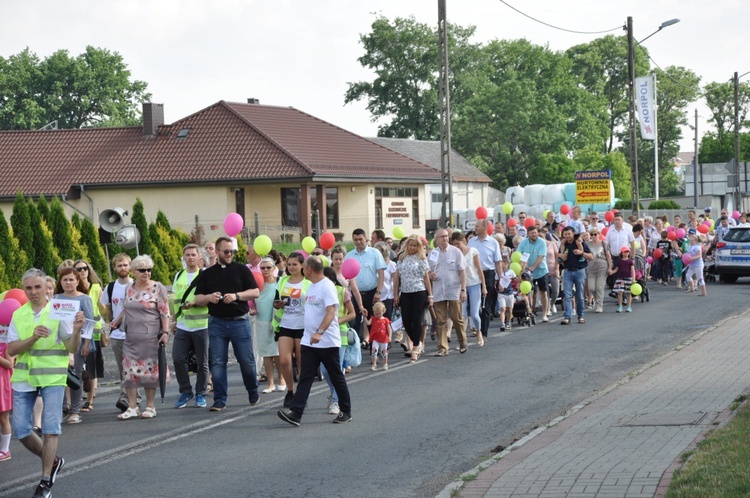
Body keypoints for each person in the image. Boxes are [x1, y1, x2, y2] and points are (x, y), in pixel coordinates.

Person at [8, 268, 85, 498]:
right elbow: (10, 349)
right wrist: (32, 337)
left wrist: (77, 331)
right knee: (21, 430)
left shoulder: (58, 310)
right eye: (29, 288)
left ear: (46, 287)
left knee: (51, 429)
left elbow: (72, 348)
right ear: (24, 289)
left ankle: (45, 483)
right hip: (24, 378)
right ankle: (54, 461)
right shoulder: (19, 314)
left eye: (37, 287)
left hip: (52, 377)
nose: (33, 292)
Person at [278, 256, 352, 426]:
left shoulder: (327, 286)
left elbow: (331, 312)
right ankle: (296, 413)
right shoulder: (311, 287)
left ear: (309, 269)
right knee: (306, 377)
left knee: (335, 376)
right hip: (308, 341)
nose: (303, 270)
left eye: (304, 267)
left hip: (327, 341)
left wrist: (319, 332)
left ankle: (346, 411)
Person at [194, 237, 260, 411]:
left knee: (246, 361)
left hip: (240, 321)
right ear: (217, 252)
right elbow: (198, 298)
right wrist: (209, 297)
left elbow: (255, 292)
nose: (229, 254)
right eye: (226, 251)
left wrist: (237, 296)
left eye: (232, 251)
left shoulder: (242, 270)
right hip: (217, 323)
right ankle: (220, 400)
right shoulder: (207, 273)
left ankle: (252, 390)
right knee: (217, 362)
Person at [109, 255, 170, 420]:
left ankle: (150, 406)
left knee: (149, 373)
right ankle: (132, 407)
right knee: (129, 372)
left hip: (151, 337)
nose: (147, 273)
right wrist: (117, 320)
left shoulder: (158, 288)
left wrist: (165, 333)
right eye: (142, 270)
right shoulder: (129, 287)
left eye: (149, 270)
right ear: (134, 271)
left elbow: (165, 312)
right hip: (131, 337)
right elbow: (125, 308)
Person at [53, 268, 96, 424]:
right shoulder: (56, 298)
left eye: (71, 279)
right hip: (59, 344)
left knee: (76, 376)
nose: (68, 283)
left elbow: (90, 323)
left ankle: (75, 411)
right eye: (65, 280)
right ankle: (64, 406)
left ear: (78, 281)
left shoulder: (84, 299)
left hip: (78, 343)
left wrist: (86, 344)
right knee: (61, 376)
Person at [171, 244, 210, 409]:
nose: (191, 258)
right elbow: (174, 299)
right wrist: (174, 319)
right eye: (187, 255)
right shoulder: (178, 275)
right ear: (184, 257)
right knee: (178, 358)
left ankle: (201, 393)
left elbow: (210, 297)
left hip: (202, 324)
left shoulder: (205, 275)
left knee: (202, 362)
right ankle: (186, 391)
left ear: (199, 257)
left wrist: (196, 303)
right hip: (182, 325)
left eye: (193, 255)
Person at [272, 251, 309, 408]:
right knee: (284, 361)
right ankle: (290, 391)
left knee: (302, 362)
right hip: (285, 324)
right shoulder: (282, 281)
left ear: (302, 265)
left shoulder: (308, 282)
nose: (292, 267)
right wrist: (278, 304)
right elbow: (275, 301)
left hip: (303, 326)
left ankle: (301, 394)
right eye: (289, 264)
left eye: (295, 264)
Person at [100, 253, 136, 412]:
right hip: (117, 335)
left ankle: (128, 397)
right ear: (114, 267)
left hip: (135, 333)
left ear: (130, 267)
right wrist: (112, 322)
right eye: (119, 265)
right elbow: (107, 308)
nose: (123, 268)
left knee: (133, 367)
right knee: (123, 368)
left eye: (125, 265)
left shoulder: (136, 285)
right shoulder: (111, 287)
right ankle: (128, 397)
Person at [319, 266, 355, 414]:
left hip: (340, 333)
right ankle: (334, 391)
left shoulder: (342, 291)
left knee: (337, 369)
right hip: (322, 334)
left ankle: (336, 401)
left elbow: (352, 314)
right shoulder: (317, 292)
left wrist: (337, 321)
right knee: (324, 371)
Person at [393, 235, 432, 364]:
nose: (412, 248)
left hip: (419, 291)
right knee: (406, 320)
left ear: (418, 247)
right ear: (407, 245)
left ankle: (415, 347)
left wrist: (430, 295)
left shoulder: (421, 258)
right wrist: (396, 294)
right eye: (410, 245)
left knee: (416, 319)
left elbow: (426, 277)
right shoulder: (401, 258)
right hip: (405, 291)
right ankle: (419, 341)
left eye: (415, 246)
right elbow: (397, 278)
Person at [73, 259, 105, 414]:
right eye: (79, 269)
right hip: (77, 333)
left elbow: (103, 309)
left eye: (85, 268)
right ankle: (74, 402)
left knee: (91, 369)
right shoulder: (74, 289)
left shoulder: (96, 287)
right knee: (78, 369)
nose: (82, 271)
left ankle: (90, 400)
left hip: (94, 332)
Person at [428, 228, 467, 355]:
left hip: (453, 290)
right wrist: (430, 275)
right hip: (439, 290)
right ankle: (443, 347)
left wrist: (463, 289)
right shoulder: (433, 253)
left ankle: (462, 342)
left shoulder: (455, 252)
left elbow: (462, 271)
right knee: (441, 320)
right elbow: (427, 271)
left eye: (446, 236)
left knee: (457, 318)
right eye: (442, 237)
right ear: (436, 239)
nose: (445, 239)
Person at [346, 229, 386, 346]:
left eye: (360, 239)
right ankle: (356, 349)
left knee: (373, 321)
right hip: (355, 293)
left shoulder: (374, 253)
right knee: (355, 322)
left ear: (366, 238)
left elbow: (381, 273)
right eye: (355, 240)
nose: (358, 242)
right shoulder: (349, 255)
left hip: (371, 292)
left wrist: (378, 291)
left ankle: (375, 348)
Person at [467, 219, 503, 339]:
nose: (475, 228)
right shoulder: (471, 242)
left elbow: (498, 262)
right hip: (473, 274)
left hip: (488, 274)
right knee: (474, 304)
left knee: (486, 303)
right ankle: (477, 327)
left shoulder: (493, 243)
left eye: (478, 226)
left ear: (485, 227)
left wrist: (501, 279)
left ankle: (484, 332)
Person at [451, 232, 486, 344]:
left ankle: (479, 331)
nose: (456, 246)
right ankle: (463, 340)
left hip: (474, 283)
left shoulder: (472, 251)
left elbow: (479, 269)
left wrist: (484, 286)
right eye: (454, 244)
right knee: (462, 314)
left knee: (475, 314)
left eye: (458, 243)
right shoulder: (453, 254)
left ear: (464, 241)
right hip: (461, 286)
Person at [256, 257, 284, 394]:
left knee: (277, 352)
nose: (266, 270)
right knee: (266, 354)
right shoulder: (258, 285)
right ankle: (271, 383)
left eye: (268, 267)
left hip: (276, 322)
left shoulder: (279, 283)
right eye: (263, 267)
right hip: (261, 321)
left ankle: (282, 380)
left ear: (274, 268)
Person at [558, 227, 593, 325]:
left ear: (573, 233)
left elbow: (591, 256)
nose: (567, 236)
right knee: (567, 295)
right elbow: (558, 256)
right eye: (565, 234)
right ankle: (567, 317)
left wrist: (581, 253)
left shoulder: (580, 242)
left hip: (579, 271)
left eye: (569, 234)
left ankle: (580, 315)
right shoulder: (564, 244)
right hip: (568, 271)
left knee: (580, 296)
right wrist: (561, 256)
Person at [517, 226, 551, 322]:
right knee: (528, 292)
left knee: (543, 292)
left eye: (535, 232)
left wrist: (533, 267)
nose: (534, 234)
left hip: (541, 270)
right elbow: (519, 255)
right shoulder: (523, 243)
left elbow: (541, 256)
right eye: (532, 233)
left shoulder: (542, 242)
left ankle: (544, 314)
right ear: (528, 234)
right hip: (527, 271)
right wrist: (522, 266)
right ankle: (529, 311)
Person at [586, 228, 612, 313]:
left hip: (602, 266)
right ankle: (598, 300)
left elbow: (608, 256)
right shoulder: (587, 244)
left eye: (595, 234)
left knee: (599, 286)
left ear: (599, 234)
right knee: (592, 288)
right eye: (592, 234)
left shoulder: (603, 243)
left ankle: (599, 305)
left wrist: (610, 267)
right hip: (591, 267)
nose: (593, 236)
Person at [0, 312, 13, 462]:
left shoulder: (8, 342)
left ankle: (5, 449)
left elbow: (10, 364)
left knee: (4, 417)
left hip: (3, 383)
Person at [364, 302, 392, 370]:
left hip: (384, 339)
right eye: (375, 314)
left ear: (383, 311)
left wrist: (390, 336)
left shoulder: (385, 320)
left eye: (379, 313)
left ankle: (385, 364)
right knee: (374, 351)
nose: (377, 315)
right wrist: (364, 316)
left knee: (384, 352)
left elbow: (389, 329)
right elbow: (368, 323)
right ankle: (374, 364)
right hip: (375, 338)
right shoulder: (373, 318)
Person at [609, 247, 635, 313]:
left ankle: (629, 306)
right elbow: (616, 269)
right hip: (620, 278)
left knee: (628, 293)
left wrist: (633, 279)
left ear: (629, 253)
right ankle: (620, 306)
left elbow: (632, 270)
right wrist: (612, 272)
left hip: (628, 278)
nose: (626, 253)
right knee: (620, 292)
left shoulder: (630, 261)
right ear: (622, 253)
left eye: (627, 252)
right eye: (624, 252)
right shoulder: (619, 261)